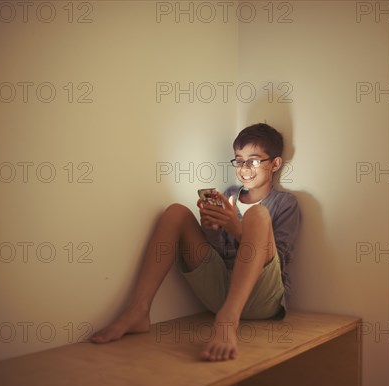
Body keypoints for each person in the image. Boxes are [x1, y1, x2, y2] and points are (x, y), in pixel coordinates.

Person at [89, 123, 301, 362]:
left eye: (253, 161)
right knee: (176, 212)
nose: (244, 168)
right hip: (220, 291)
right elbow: (219, 252)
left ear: (275, 164)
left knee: (258, 216)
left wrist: (236, 228)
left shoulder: (285, 204)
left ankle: (227, 321)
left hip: (262, 298)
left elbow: (278, 260)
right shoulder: (229, 194)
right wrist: (210, 229)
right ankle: (138, 310)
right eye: (238, 160)